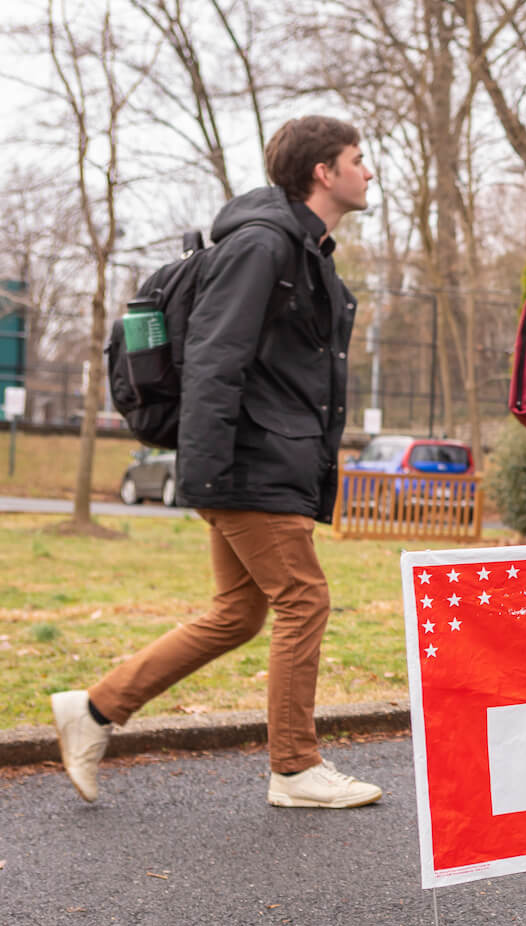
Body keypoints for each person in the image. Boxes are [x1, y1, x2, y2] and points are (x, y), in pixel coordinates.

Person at [51, 116, 384, 806]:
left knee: (239, 612)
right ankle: (294, 767)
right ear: (324, 172)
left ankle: (93, 709)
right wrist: (203, 471)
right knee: (304, 597)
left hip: (262, 456)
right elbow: (213, 357)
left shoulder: (304, 251)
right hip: (247, 459)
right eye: (359, 159)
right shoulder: (263, 245)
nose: (368, 170)